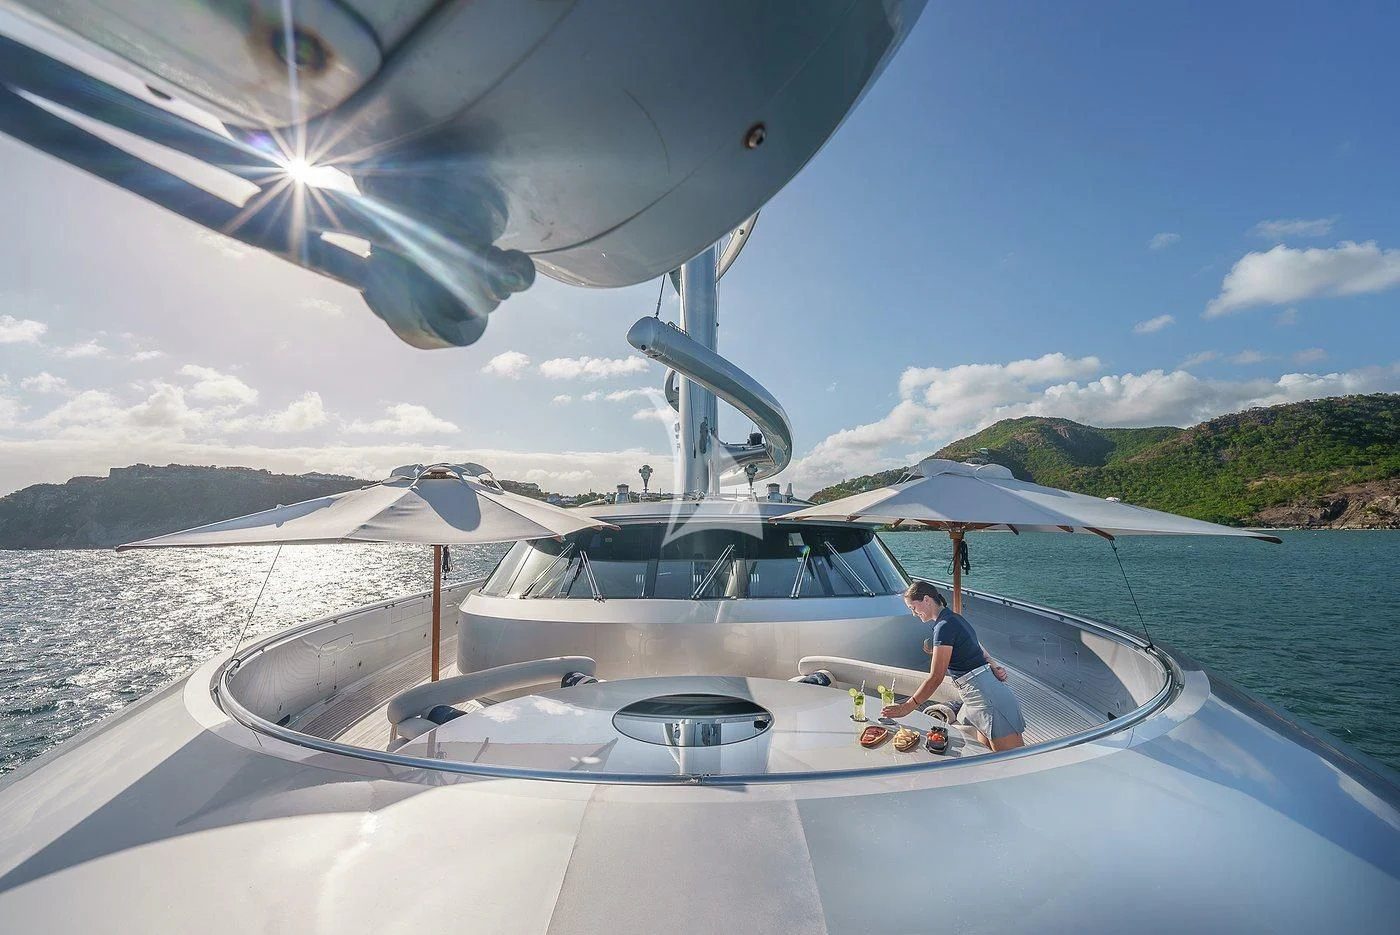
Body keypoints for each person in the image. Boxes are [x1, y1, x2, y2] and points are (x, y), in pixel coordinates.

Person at [881, 581, 1026, 751]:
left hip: (989, 700)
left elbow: (936, 678)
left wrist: (907, 707)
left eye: (913, 607)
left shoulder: (944, 627)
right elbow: (979, 648)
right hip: (977, 699)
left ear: (926, 600)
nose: (913, 613)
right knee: (990, 762)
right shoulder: (953, 619)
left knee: (1012, 763)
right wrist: (993, 665)